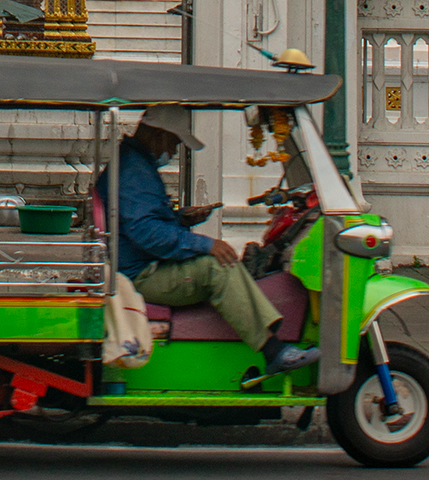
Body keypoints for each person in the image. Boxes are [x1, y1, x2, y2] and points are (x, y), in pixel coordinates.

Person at [99, 105, 315, 375]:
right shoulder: (134, 171)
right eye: (174, 143)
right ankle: (274, 351)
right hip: (141, 273)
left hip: (141, 263)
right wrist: (205, 245)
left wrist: (180, 219)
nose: (173, 152)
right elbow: (147, 233)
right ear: (157, 134)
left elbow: (143, 221)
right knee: (219, 267)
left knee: (221, 259)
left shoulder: (135, 164)